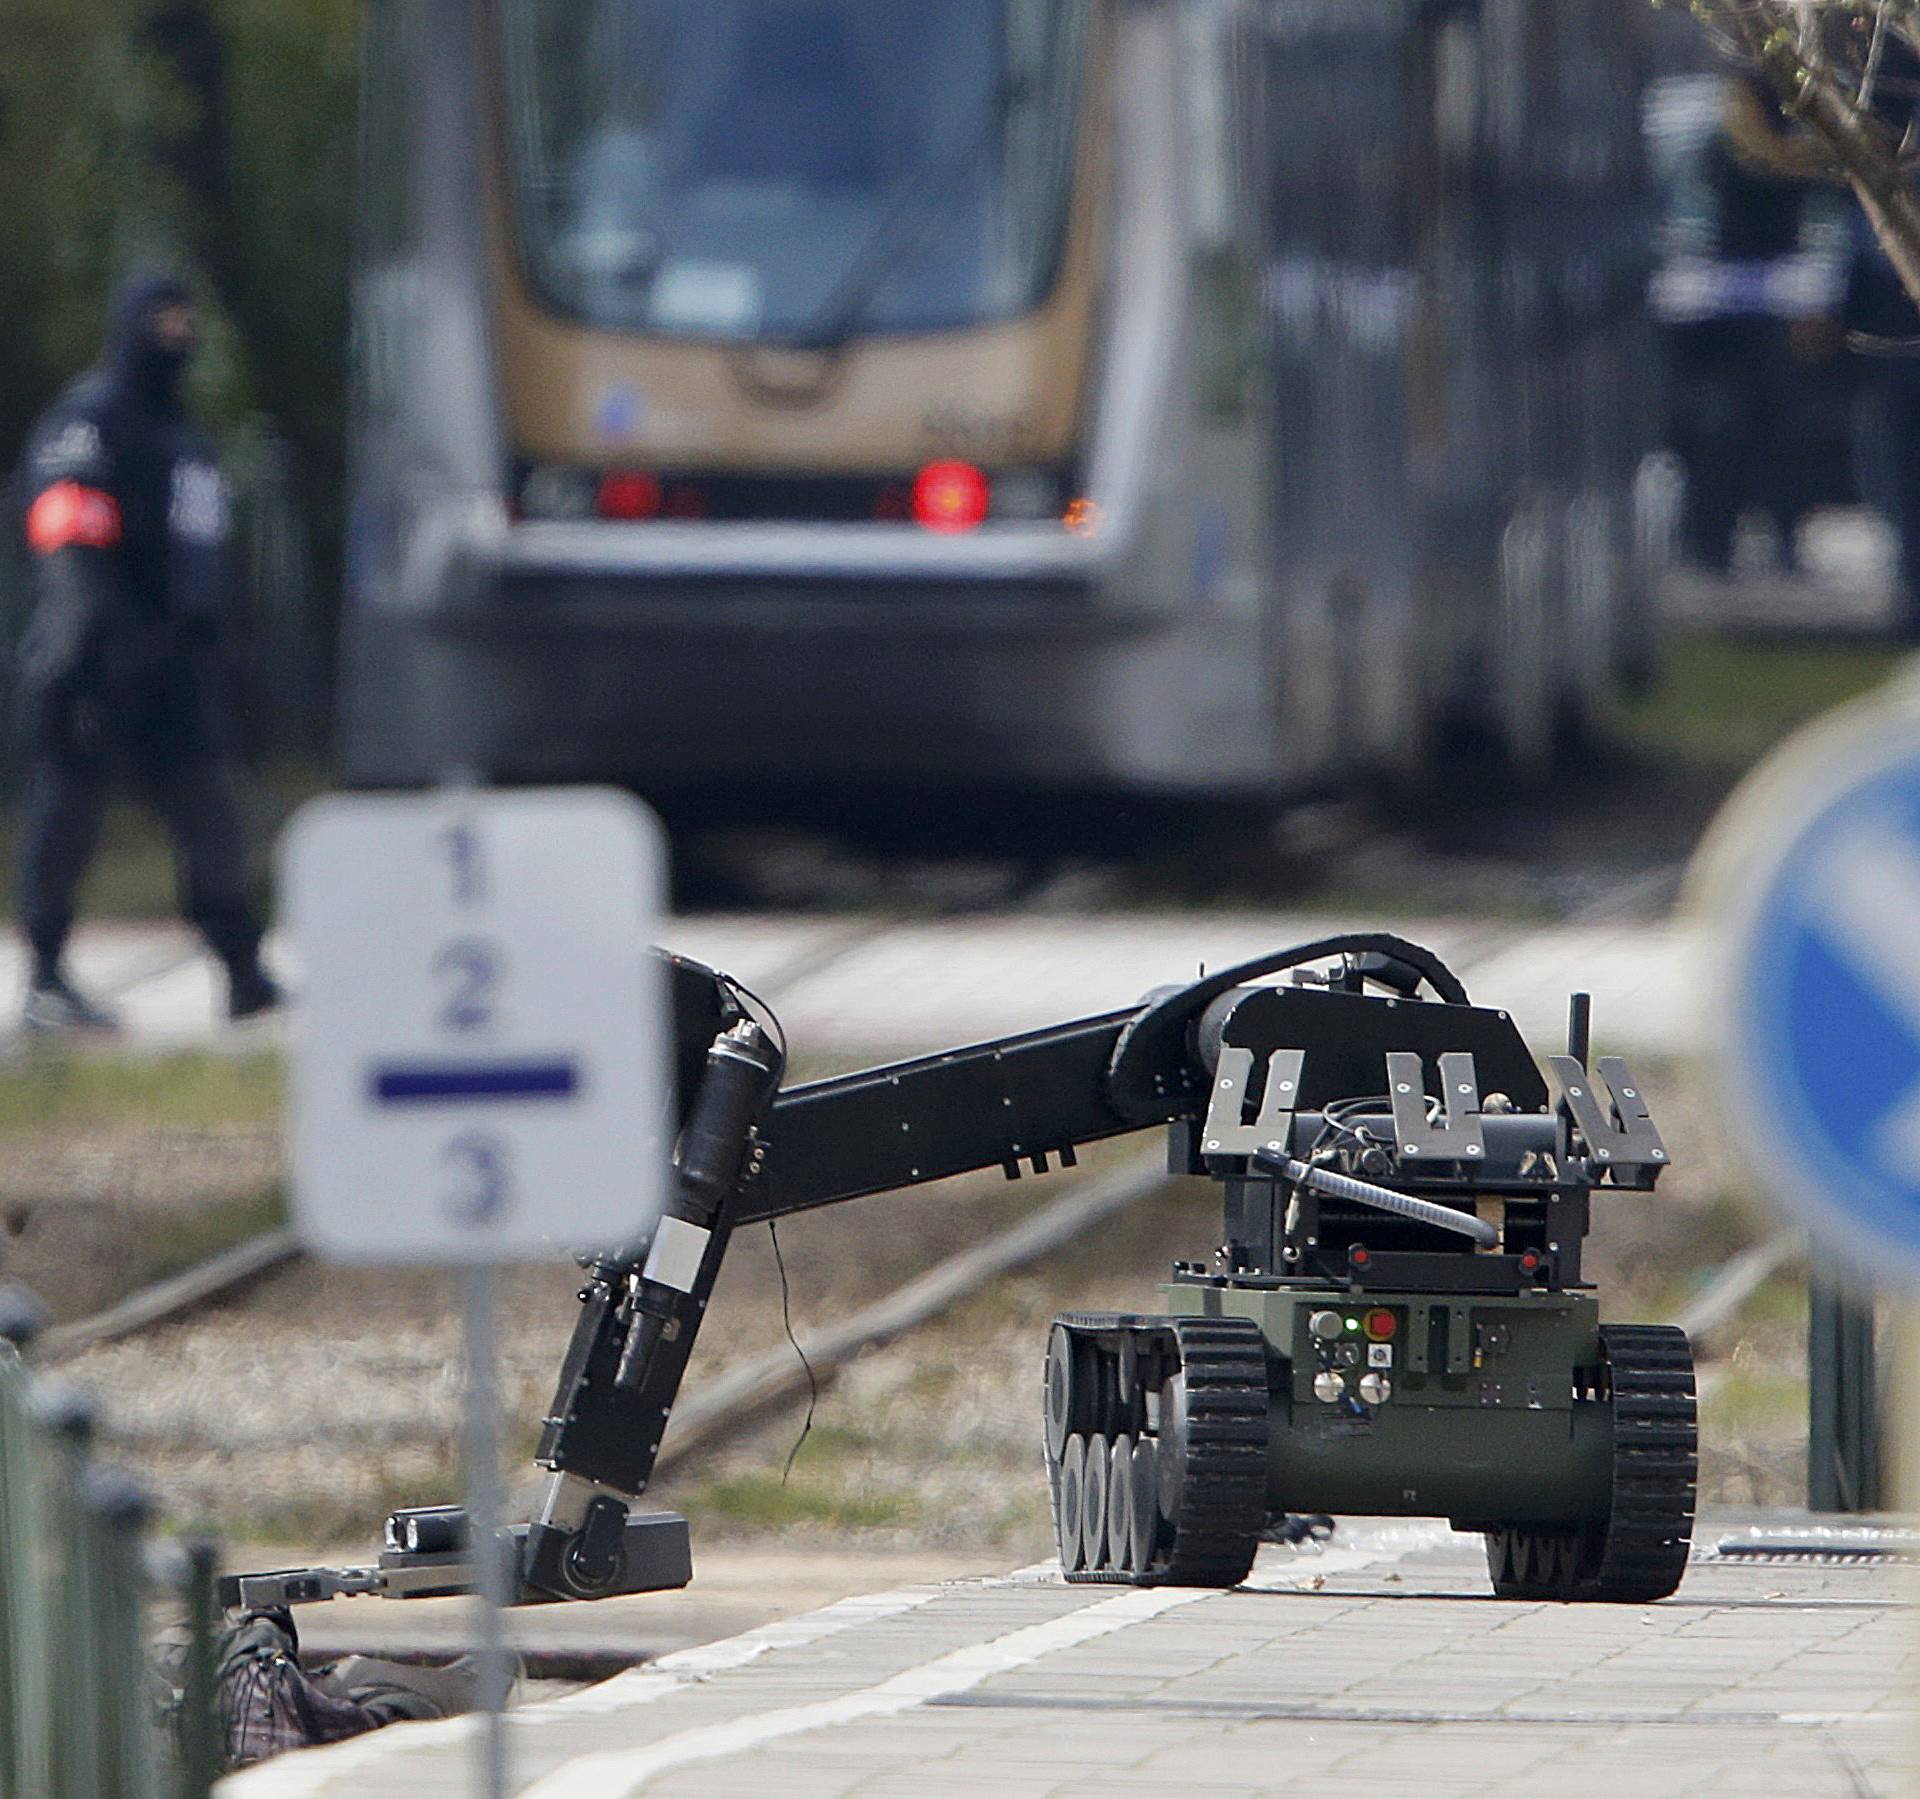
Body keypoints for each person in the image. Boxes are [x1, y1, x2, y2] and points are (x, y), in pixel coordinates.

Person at [12, 271, 279, 1030]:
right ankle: (47, 977)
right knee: (67, 812)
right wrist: (88, 645)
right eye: (159, 319)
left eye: (184, 319)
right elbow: (66, 535)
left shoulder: (183, 434)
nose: (175, 334)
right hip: (97, 660)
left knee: (213, 812)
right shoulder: (89, 421)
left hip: (177, 666)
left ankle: (243, 969)